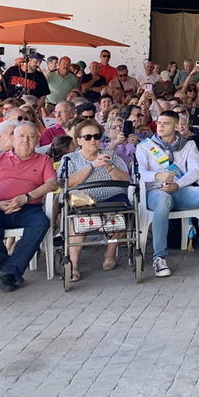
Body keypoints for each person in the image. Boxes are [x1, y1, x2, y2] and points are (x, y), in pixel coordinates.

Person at [137, 110, 199, 276]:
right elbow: (138, 173)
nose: (160, 126)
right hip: (156, 191)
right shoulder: (145, 146)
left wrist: (177, 184)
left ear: (176, 126)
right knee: (163, 199)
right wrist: (156, 175)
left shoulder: (188, 144)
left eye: (166, 123)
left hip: (180, 190)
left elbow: (196, 170)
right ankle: (159, 258)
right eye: (159, 123)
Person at [0, 122, 58, 291]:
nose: (26, 140)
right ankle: (6, 271)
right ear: (13, 139)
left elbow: (52, 183)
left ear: (37, 140)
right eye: (21, 136)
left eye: (31, 137)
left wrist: (26, 197)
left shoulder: (44, 160)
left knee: (41, 223)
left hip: (28, 208)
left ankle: (8, 271)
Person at [59, 120, 131, 282]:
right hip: (83, 197)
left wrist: (108, 167)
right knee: (78, 216)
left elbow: (127, 179)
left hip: (112, 196)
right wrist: (91, 166)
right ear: (78, 140)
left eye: (96, 136)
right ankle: (74, 264)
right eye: (88, 137)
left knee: (123, 206)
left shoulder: (110, 155)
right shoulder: (70, 159)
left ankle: (110, 253)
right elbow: (65, 183)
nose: (93, 140)